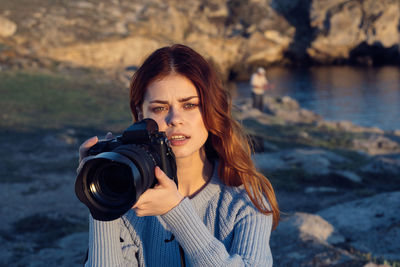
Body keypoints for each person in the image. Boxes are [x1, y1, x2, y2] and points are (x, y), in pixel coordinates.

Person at [78, 44, 279, 266]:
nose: (175, 119)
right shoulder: (128, 199)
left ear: (211, 110)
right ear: (140, 114)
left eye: (190, 105)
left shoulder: (245, 199)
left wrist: (175, 211)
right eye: (160, 108)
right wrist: (101, 200)